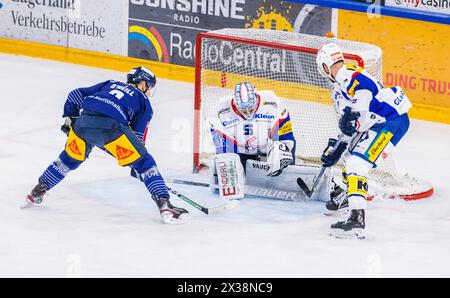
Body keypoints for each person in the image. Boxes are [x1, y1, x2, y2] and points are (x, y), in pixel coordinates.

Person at [25, 67, 189, 224]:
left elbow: (75, 94)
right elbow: (138, 139)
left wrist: (70, 116)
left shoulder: (109, 83)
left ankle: (38, 190)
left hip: (82, 124)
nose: (148, 91)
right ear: (143, 84)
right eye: (149, 86)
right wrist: (137, 166)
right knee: (145, 163)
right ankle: (165, 204)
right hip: (112, 128)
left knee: (68, 160)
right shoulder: (143, 101)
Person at [316, 43, 412, 239]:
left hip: (391, 121)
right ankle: (345, 194)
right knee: (349, 153)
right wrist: (336, 148)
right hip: (378, 123)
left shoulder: (348, 74)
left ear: (324, 66)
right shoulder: (338, 89)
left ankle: (356, 218)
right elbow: (350, 128)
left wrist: (354, 113)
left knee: (357, 164)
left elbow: (365, 89)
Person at [207, 82, 296, 199]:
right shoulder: (221, 109)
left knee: (282, 151)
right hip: (241, 154)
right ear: (235, 102)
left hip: (265, 151)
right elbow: (224, 147)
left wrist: (281, 153)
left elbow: (285, 135)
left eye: (250, 107)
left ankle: (287, 175)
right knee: (228, 171)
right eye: (244, 109)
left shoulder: (272, 101)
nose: (248, 112)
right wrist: (230, 168)